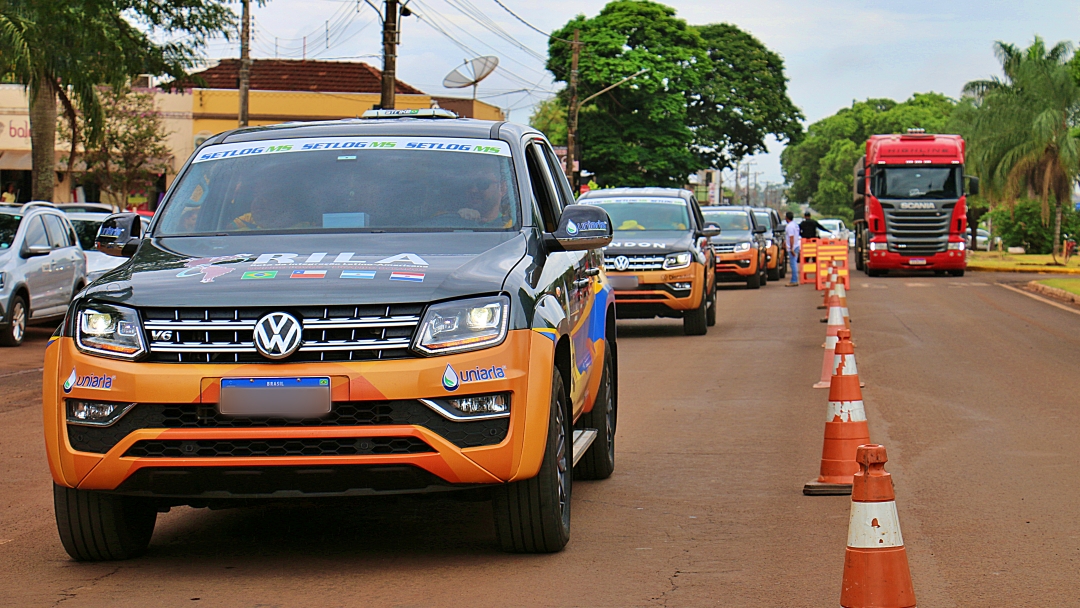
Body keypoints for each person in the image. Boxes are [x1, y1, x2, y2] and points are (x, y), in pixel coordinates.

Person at [784, 211, 801, 286]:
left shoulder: (790, 226)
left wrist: (791, 248)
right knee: (793, 263)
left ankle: (794, 280)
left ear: (786, 218)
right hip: (796, 245)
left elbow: (791, 237)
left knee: (793, 264)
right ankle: (794, 279)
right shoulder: (795, 225)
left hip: (793, 247)